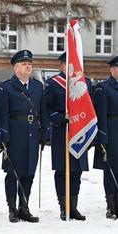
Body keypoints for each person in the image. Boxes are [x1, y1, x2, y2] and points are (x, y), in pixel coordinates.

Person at [0, 50, 49, 223]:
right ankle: (12, 209)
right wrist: (3, 136)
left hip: (33, 134)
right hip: (15, 134)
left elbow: (43, 111)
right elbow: (2, 114)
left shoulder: (38, 86)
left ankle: (24, 207)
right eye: (24, 63)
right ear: (15, 67)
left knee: (29, 173)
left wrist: (45, 132)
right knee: (13, 173)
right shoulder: (6, 87)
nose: (28, 66)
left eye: (30, 63)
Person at [44, 52, 92, 221]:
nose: (70, 68)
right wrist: (60, 118)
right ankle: (64, 207)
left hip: (79, 133)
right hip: (61, 133)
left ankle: (74, 207)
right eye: (67, 64)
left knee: (76, 172)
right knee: (62, 171)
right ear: (62, 65)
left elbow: (90, 108)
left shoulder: (85, 83)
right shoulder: (52, 84)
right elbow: (46, 110)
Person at [93, 56, 118, 220]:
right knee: (111, 170)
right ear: (112, 69)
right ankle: (111, 205)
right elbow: (100, 115)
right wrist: (102, 137)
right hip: (111, 132)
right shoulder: (104, 88)